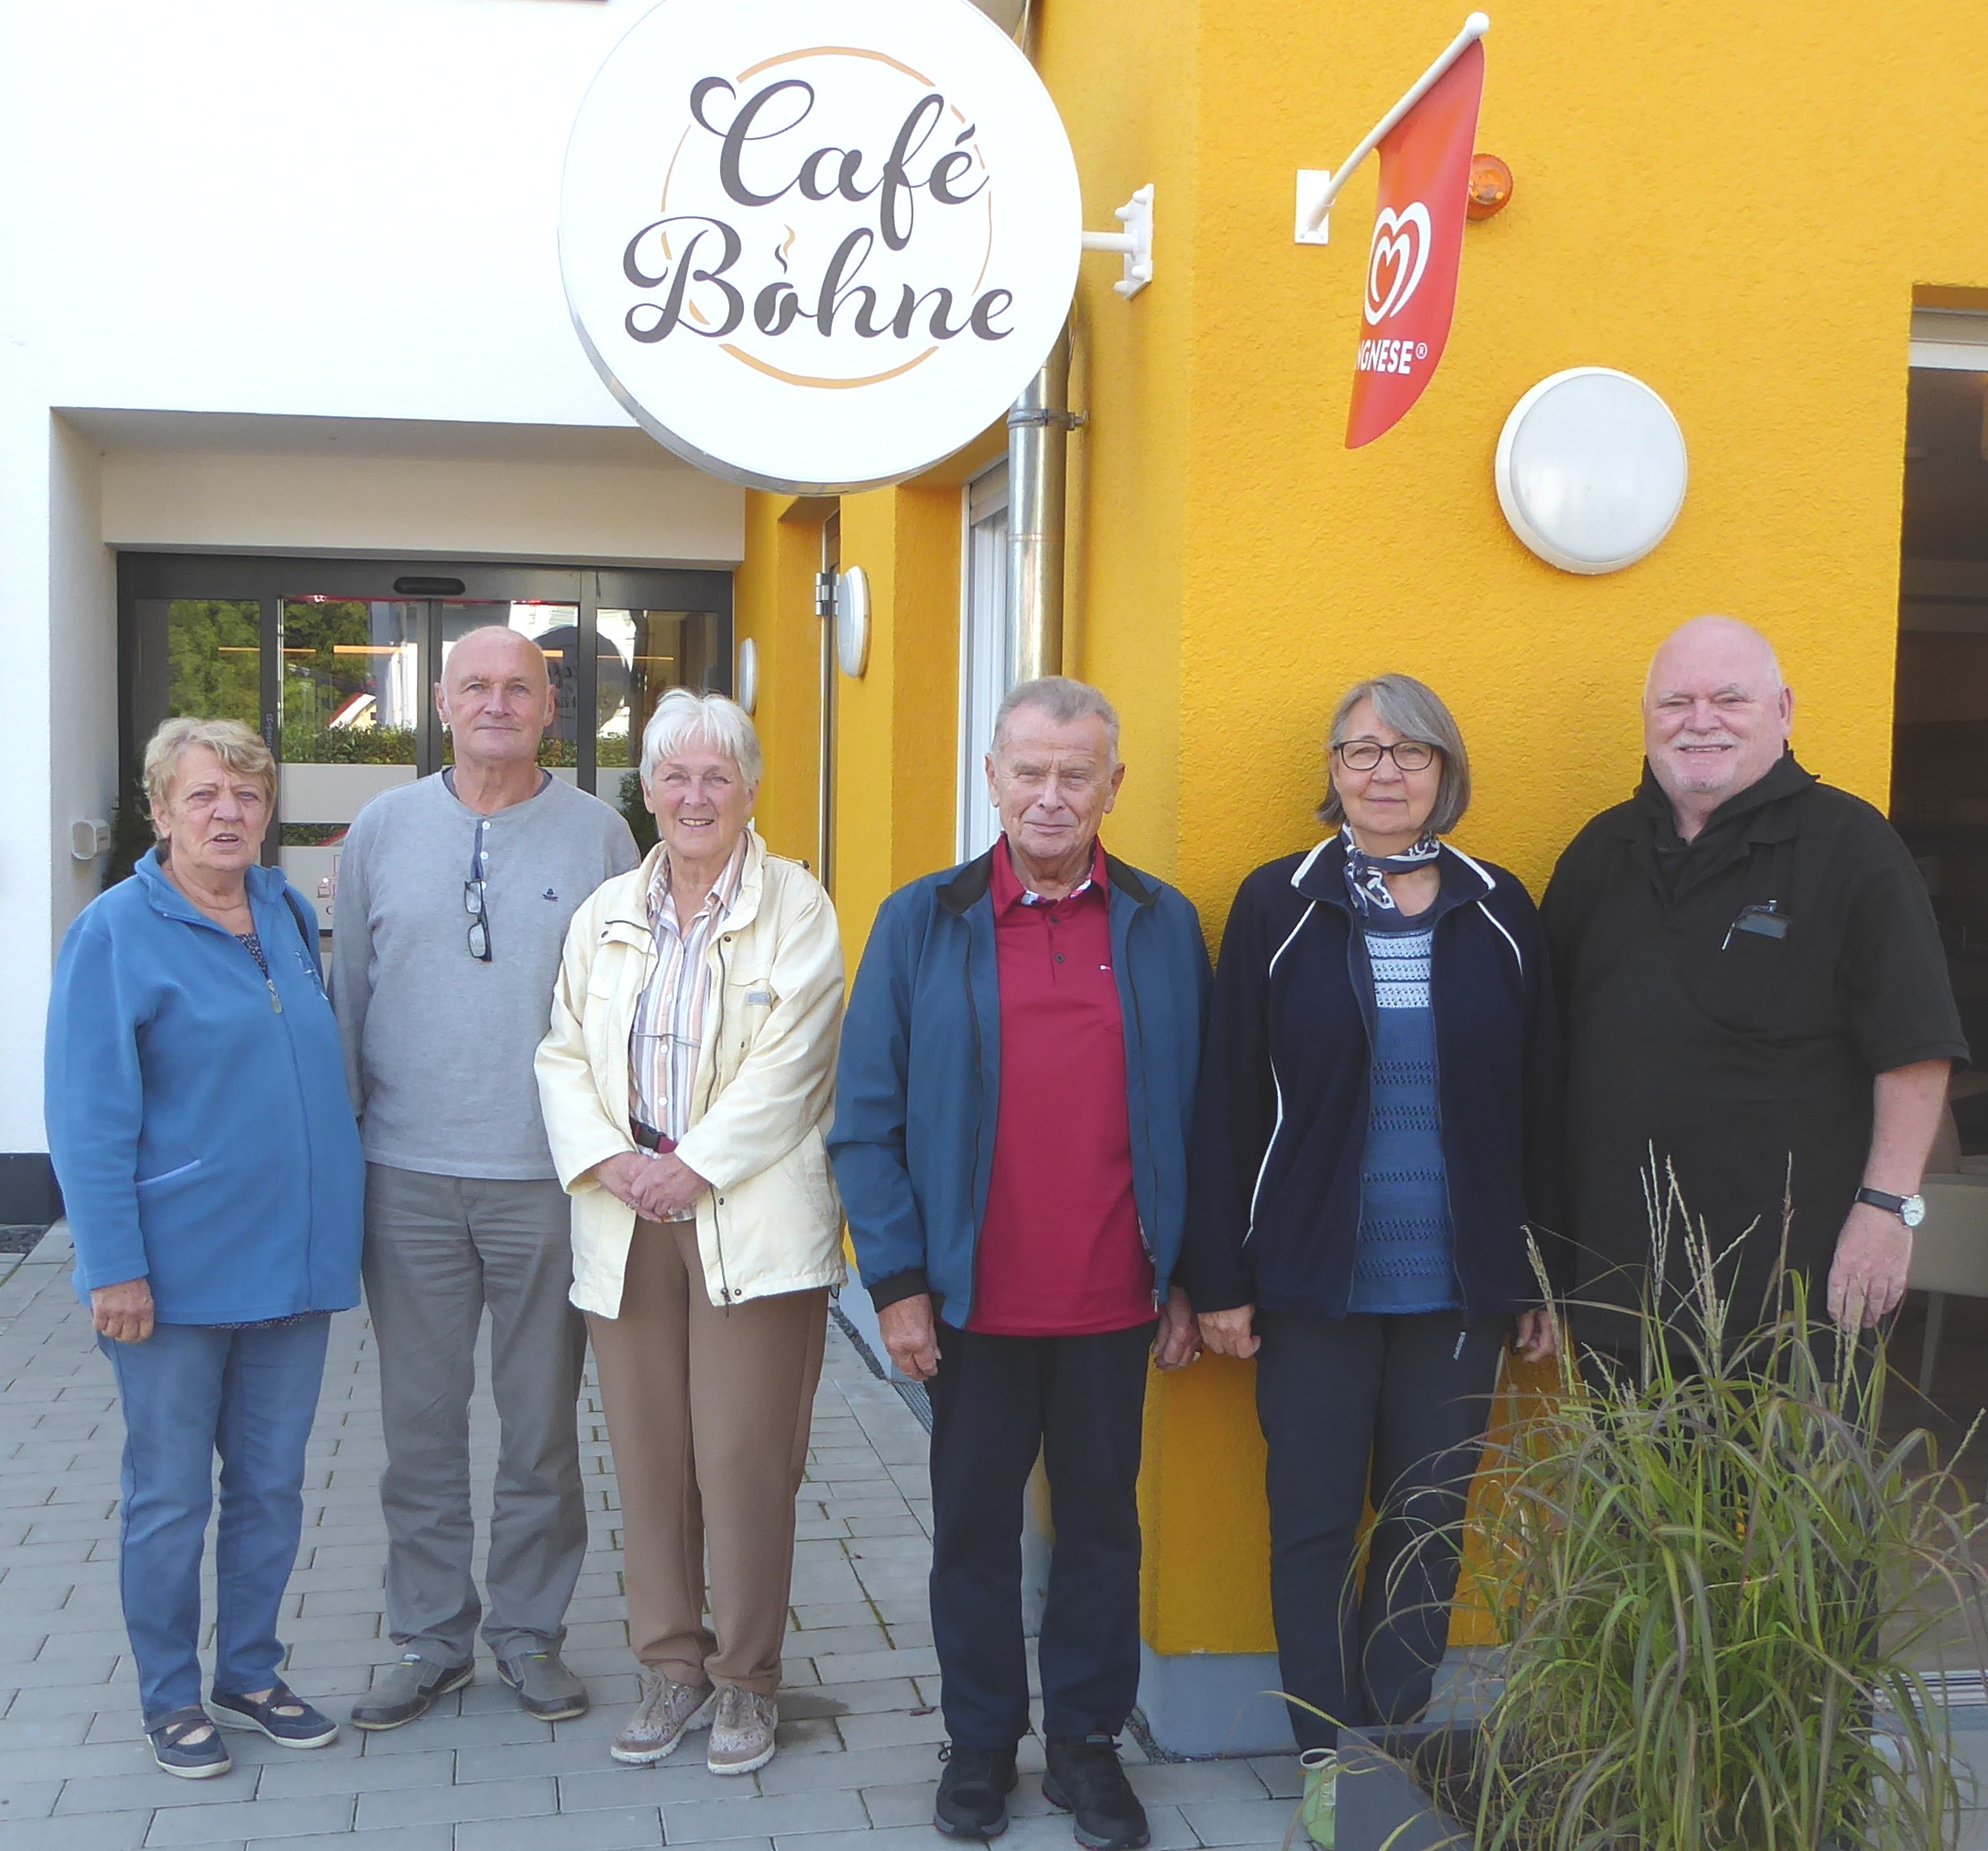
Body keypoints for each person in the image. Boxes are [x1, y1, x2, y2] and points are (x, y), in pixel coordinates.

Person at [1179, 674, 1562, 1849]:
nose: (1383, 771)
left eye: (1409, 752)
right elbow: (1224, 1102)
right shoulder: (1275, 905)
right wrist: (1220, 1279)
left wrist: (1536, 1274)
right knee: (1309, 1519)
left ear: (1445, 770)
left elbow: (1540, 1102)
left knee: (1429, 1518)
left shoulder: (1501, 907)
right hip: (1310, 1281)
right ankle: (1320, 1752)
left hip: (1456, 1283)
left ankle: (1390, 1744)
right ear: (1332, 771)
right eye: (1360, 751)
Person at [831, 676, 1209, 1851]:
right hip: (970, 1304)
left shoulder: (1160, 922)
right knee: (973, 1534)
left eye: (1076, 773)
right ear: (990, 777)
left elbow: (1201, 1112)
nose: (1051, 794)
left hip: (1112, 1300)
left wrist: (1188, 1273)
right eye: (1029, 771)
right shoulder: (921, 920)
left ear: (1112, 785)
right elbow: (864, 1116)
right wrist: (895, 1284)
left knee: (1102, 1529)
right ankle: (982, 1744)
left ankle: (1089, 1748)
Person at [331, 627, 639, 1730]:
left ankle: (527, 1632)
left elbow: (624, 1015)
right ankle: (428, 1637)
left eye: (520, 687)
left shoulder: (602, 834)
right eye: (477, 687)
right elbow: (348, 1000)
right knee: (417, 1425)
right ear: (445, 704)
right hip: (404, 1176)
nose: (497, 703)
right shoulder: (381, 829)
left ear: (552, 708)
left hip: (547, 1181)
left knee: (542, 1428)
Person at [45, 717, 363, 1780]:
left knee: (272, 1487)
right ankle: (171, 1695)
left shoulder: (277, 908)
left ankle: (253, 1670)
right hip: (171, 1282)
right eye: (203, 796)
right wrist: (114, 1266)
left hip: (293, 1266)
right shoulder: (114, 932)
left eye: (247, 795)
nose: (228, 813)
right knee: (170, 1493)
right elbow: (88, 1117)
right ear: (160, 811)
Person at [535, 688, 846, 1776]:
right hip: (625, 1217)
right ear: (648, 790)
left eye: (718, 775)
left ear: (750, 789)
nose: (696, 794)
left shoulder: (796, 906)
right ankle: (670, 1666)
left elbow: (794, 1064)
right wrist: (613, 1160)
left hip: (745, 1218)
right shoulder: (606, 907)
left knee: (743, 1457)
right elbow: (562, 1049)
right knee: (652, 1456)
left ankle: (748, 1681)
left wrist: (691, 1164)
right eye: (675, 775)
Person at [1542, 617, 1968, 1367]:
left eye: (1729, 699)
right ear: (1647, 718)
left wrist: (1887, 1210)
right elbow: (1544, 1051)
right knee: (1622, 1486)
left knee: (1788, 1488)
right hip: (1617, 1292)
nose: (1699, 722)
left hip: (1791, 1301)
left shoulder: (1852, 848)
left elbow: (1915, 1050)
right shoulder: (1598, 855)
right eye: (1675, 702)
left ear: (1784, 711)